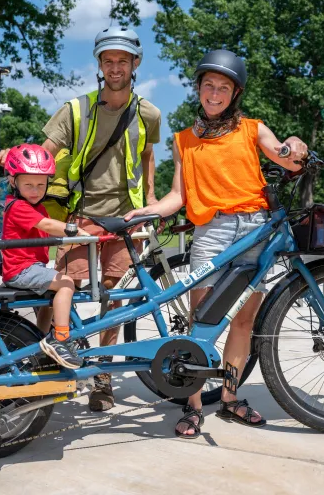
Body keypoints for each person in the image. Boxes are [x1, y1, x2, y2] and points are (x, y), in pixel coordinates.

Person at [124, 50, 308, 439]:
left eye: (223, 87)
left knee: (243, 319)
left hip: (254, 229)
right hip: (211, 231)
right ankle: (193, 408)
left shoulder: (253, 129)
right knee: (200, 321)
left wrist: (293, 143)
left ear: (234, 93)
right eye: (208, 85)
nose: (214, 93)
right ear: (198, 89)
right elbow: (179, 195)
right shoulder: (184, 141)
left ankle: (229, 397)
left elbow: (287, 159)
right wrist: (149, 210)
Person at [0, 27, 162, 411]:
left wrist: (150, 197)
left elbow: (148, 154)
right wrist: (15, 152)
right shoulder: (76, 109)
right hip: (81, 215)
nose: (115, 67)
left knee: (114, 298)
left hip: (126, 219)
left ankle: (102, 378)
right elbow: (43, 152)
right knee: (54, 289)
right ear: (99, 65)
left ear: (136, 63)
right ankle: (38, 361)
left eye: (122, 60)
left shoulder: (148, 112)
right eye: (108, 60)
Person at [2, 144, 88, 369]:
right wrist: (75, 230)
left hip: (30, 267)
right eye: (28, 184)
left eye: (41, 184)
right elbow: (47, 225)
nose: (35, 190)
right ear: (14, 182)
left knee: (52, 295)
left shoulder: (38, 207)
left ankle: (38, 339)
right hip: (20, 270)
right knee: (66, 283)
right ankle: (59, 338)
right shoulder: (17, 206)